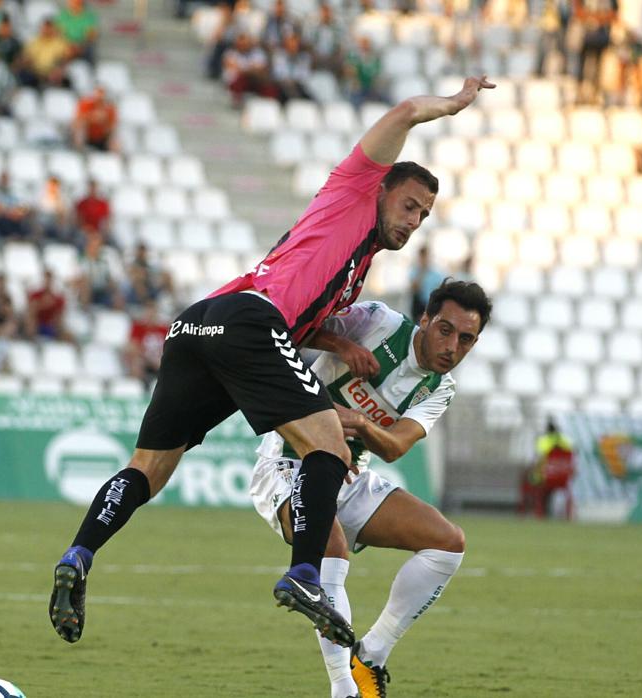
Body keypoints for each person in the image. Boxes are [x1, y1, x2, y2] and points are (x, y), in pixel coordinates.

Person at [47, 76, 495, 651]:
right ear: (380, 190)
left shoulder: (355, 273)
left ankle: (79, 554)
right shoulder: (352, 191)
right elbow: (406, 111)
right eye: (408, 205)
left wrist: (341, 346)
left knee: (150, 469)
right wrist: (452, 105)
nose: (413, 220)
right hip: (250, 322)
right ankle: (306, 574)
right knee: (329, 444)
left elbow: (312, 320)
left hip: (197, 325)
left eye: (424, 215)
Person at [249, 281, 490, 698]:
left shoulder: (439, 388)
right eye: (445, 330)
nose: (453, 346)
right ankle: (344, 688)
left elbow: (396, 445)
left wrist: (360, 423)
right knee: (332, 550)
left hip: (351, 477)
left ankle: (372, 654)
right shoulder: (378, 321)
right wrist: (341, 346)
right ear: (426, 320)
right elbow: (294, 328)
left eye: (467, 339)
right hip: (288, 461)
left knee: (448, 544)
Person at [520, 418, 575, 518]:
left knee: (529, 480)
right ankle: (564, 514)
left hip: (545, 477)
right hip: (564, 478)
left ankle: (539, 512)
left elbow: (537, 460)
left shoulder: (543, 441)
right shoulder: (567, 440)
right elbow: (573, 458)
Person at [223, 33, 278, 108]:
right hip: (236, 83)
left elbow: (261, 69)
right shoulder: (230, 54)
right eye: (241, 44)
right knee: (240, 79)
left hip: (255, 81)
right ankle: (237, 102)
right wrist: (250, 69)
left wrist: (244, 69)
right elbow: (232, 67)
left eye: (246, 43)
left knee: (269, 85)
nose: (243, 46)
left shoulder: (258, 53)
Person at [123, 302, 168, 387]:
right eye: (148, 313)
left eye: (152, 313)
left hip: (160, 360)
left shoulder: (163, 329)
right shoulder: (138, 327)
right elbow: (132, 347)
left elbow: (170, 347)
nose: (150, 316)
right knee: (136, 363)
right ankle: (137, 388)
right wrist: (149, 359)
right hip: (145, 360)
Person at [24, 269, 73, 342]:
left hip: (50, 326)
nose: (47, 282)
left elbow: (60, 315)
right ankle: (32, 342)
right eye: (46, 279)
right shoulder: (35, 295)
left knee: (68, 334)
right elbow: (30, 311)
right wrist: (42, 305)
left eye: (49, 279)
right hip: (37, 325)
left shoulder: (58, 298)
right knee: (31, 320)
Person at [72, 86, 119, 152]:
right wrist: (92, 118)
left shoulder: (110, 109)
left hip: (103, 138)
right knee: (79, 131)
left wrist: (104, 122)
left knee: (115, 139)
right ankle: (79, 152)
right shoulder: (86, 105)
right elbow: (76, 123)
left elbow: (111, 129)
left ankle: (114, 159)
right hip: (87, 136)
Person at [271, 32, 313, 104]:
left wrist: (293, 81)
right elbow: (277, 74)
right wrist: (287, 81)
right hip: (282, 87)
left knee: (308, 97)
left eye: (295, 45)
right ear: (286, 45)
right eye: (290, 45)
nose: (293, 47)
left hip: (298, 87)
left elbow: (305, 76)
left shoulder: (304, 57)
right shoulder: (278, 56)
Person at [407, 246, 444, 321]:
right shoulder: (415, 271)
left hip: (431, 304)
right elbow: (414, 289)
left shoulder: (436, 273)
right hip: (418, 306)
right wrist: (422, 271)